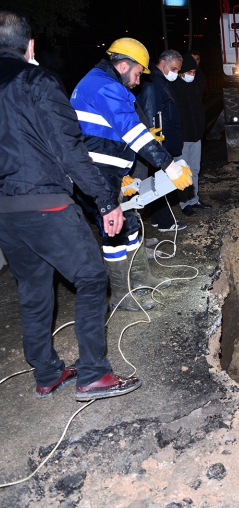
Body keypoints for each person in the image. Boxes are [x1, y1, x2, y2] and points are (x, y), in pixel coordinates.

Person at [0, 11, 141, 400]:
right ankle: (94, 374)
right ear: (30, 46)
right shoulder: (36, 79)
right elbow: (70, 148)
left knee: (32, 288)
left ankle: (46, 373)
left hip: (6, 213)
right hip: (46, 202)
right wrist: (106, 201)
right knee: (92, 278)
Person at [71, 39, 192, 311]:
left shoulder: (100, 83)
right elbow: (132, 133)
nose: (138, 81)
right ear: (123, 65)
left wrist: (120, 174)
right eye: (138, 73)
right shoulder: (105, 86)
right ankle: (122, 296)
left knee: (130, 221)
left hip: (104, 172)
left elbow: (104, 133)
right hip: (95, 175)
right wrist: (169, 167)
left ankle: (141, 278)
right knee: (114, 231)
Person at [137, 49, 191, 228]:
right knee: (161, 182)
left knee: (156, 180)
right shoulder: (153, 84)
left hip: (165, 140)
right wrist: (156, 144)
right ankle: (165, 222)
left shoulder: (161, 81)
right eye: (174, 69)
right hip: (159, 142)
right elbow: (149, 115)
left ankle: (157, 219)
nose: (176, 73)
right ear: (163, 63)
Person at [171, 53, 211, 216]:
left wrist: (201, 128)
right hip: (182, 138)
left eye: (194, 72)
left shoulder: (194, 86)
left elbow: (199, 108)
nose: (192, 75)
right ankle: (184, 203)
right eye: (190, 72)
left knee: (195, 169)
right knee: (182, 172)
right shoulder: (174, 88)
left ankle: (194, 199)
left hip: (195, 136)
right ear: (182, 72)